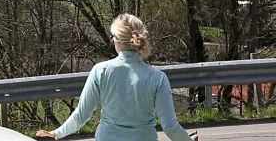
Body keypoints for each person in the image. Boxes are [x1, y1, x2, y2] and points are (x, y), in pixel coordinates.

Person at [36, 14, 197, 141]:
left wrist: (56, 133)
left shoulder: (101, 71)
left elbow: (81, 115)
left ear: (117, 41)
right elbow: (170, 126)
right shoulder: (157, 77)